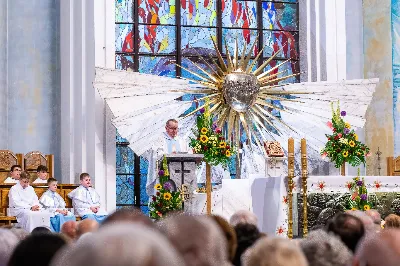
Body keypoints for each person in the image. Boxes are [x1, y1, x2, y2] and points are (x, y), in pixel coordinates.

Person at [145, 119, 190, 196]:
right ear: (166, 128)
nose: (174, 131)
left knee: (178, 195)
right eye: (171, 128)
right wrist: (168, 154)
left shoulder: (181, 141)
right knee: (164, 195)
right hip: (164, 173)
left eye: (175, 128)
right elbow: (156, 154)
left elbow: (188, 153)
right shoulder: (160, 140)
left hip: (179, 174)